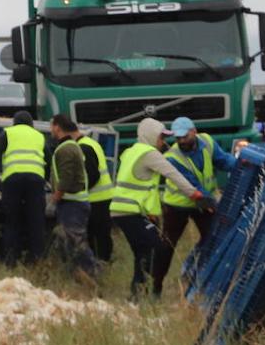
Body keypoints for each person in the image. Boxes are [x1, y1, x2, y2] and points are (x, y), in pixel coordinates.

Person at [110, 117, 208, 300]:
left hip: (123, 210)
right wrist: (194, 194)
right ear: (151, 136)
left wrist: (151, 212)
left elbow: (144, 186)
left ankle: (137, 295)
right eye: (161, 138)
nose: (163, 142)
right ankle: (142, 293)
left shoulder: (131, 151)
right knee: (157, 248)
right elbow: (172, 173)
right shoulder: (149, 153)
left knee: (142, 252)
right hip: (130, 211)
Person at [151, 116, 231, 296]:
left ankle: (193, 272)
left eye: (184, 137)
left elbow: (224, 160)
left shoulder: (207, 141)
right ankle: (156, 286)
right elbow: (193, 186)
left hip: (202, 200)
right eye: (177, 138)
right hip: (177, 205)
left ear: (194, 132)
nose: (181, 141)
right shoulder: (172, 157)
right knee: (168, 245)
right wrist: (211, 203)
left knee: (212, 237)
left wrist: (241, 164)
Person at [0, 111, 47, 266]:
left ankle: (10, 261)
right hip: (35, 181)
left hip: (12, 180)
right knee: (36, 221)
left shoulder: (8, 133)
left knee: (12, 220)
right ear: (31, 123)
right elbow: (49, 157)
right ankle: (37, 261)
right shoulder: (39, 136)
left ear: (14, 122)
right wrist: (45, 179)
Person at [49, 115, 99, 286]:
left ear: (57, 127)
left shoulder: (66, 149)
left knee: (77, 242)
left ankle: (92, 275)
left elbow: (67, 178)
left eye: (51, 126)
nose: (51, 130)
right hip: (74, 202)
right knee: (69, 242)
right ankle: (79, 277)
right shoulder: (70, 146)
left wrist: (55, 198)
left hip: (73, 204)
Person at [66, 121, 114, 262]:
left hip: (96, 199)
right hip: (102, 197)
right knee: (102, 235)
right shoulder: (91, 143)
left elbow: (92, 175)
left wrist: (75, 189)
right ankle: (103, 262)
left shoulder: (83, 148)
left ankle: (100, 264)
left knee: (97, 236)